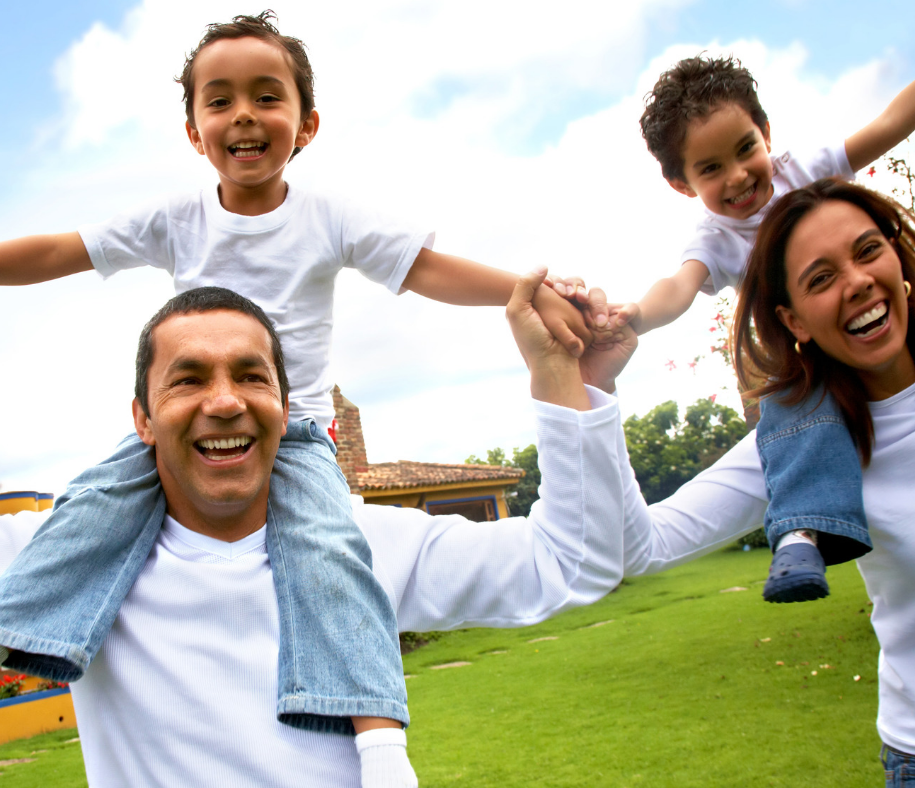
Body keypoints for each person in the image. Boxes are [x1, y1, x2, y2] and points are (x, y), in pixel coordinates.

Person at [0, 10, 612, 766]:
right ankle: (28, 637)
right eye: (219, 100)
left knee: (326, 549)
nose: (244, 115)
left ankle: (379, 740)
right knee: (88, 508)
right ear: (194, 132)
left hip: (293, 436)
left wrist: (523, 292)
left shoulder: (329, 216)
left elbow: (428, 269)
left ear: (307, 123)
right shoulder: (172, 217)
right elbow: (63, 249)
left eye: (266, 96)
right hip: (185, 428)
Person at [0, 279, 635, 787]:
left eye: (252, 376)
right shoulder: (62, 559)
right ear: (141, 419)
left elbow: (573, 562)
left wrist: (567, 377)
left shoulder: (364, 545)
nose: (225, 402)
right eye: (189, 379)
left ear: (286, 409)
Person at [617, 179, 915, 786]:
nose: (857, 282)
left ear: (899, 259)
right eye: (820, 279)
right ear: (794, 321)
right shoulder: (797, 445)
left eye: (868, 250)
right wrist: (591, 392)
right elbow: (640, 548)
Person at [621, 52, 915, 603]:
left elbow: (890, 124)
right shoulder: (714, 240)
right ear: (682, 184)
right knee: (797, 413)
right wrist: (634, 318)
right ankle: (800, 533)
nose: (740, 175)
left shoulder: (803, 170)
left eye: (746, 148)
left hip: (910, 313)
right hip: (810, 363)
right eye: (711, 168)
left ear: (765, 133)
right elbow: (677, 288)